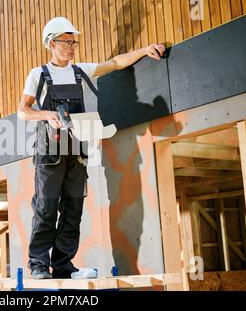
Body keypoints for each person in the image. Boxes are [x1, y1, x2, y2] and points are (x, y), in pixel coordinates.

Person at [17, 17, 165, 279]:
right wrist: (47, 114)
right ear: (52, 43)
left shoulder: (80, 71)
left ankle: (63, 266)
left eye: (75, 41)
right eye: (67, 41)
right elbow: (23, 111)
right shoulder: (38, 74)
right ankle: (39, 265)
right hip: (50, 153)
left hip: (77, 151)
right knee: (46, 207)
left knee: (74, 209)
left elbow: (116, 62)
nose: (73, 46)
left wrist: (144, 50)